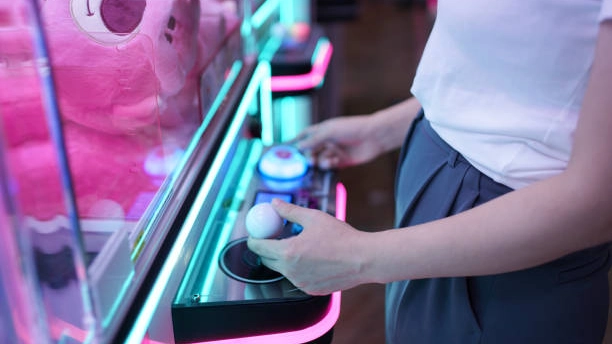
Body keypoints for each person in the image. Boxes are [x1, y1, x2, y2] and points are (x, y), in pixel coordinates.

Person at [248, 1, 612, 343]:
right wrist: (382, 128)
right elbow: (506, 70)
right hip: (437, 200)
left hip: (513, 252)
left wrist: (359, 257)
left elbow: (597, 202)